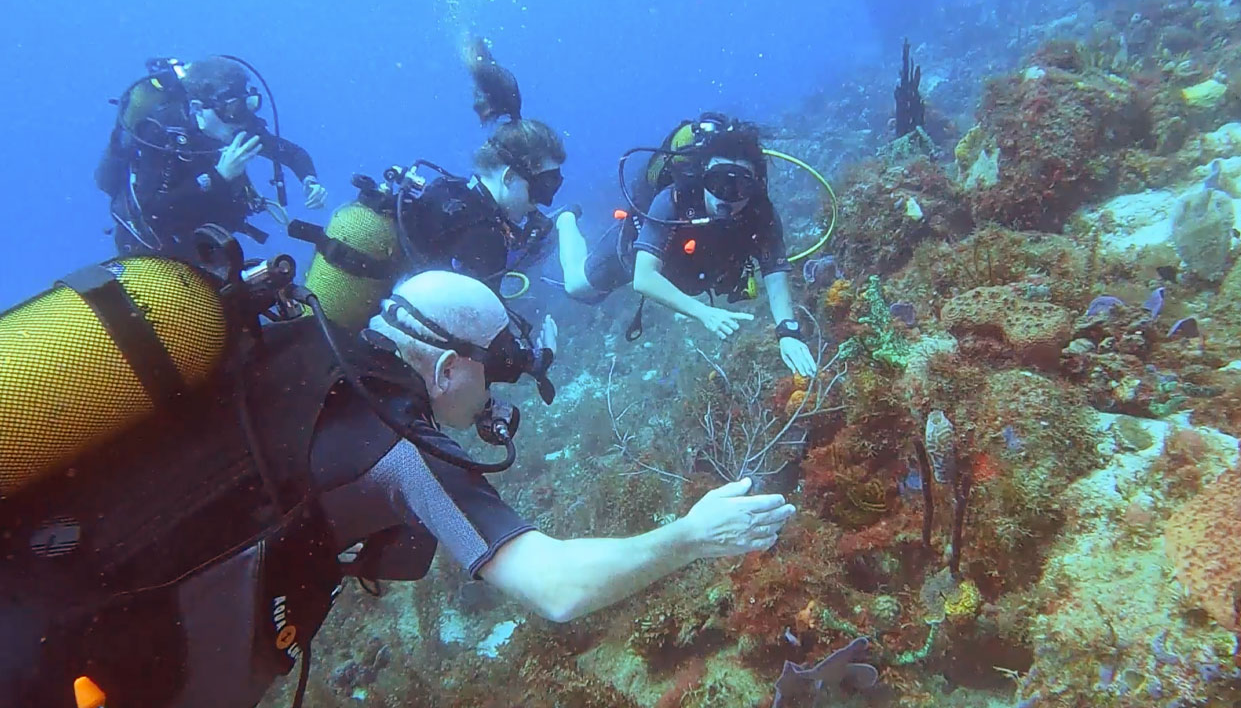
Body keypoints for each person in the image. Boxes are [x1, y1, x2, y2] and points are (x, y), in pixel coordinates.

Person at [0, 260, 795, 707]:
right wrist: (692, 535)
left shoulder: (289, 350)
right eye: (496, 375)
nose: (495, 400)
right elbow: (557, 588)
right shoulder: (398, 445)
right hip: (57, 663)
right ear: (450, 367)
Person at [555, 113, 818, 377]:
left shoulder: (761, 213)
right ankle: (566, 219)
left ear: (755, 186)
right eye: (717, 183)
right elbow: (644, 278)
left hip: (693, 269)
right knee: (576, 285)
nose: (725, 197)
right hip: (636, 254)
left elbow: (774, 271)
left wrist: (788, 332)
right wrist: (704, 313)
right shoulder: (675, 199)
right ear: (703, 177)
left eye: (739, 186)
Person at [95, 56, 329, 261]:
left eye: (248, 105)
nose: (240, 119)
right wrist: (218, 177)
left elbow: (291, 153)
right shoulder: (162, 135)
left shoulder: (238, 125)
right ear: (199, 108)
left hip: (210, 243)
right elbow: (153, 211)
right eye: (232, 109)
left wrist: (309, 179)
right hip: (152, 248)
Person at [391, 38, 568, 292]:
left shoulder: (455, 194)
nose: (543, 201)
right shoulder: (484, 236)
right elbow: (478, 323)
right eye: (542, 188)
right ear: (508, 178)